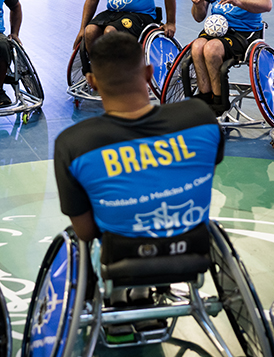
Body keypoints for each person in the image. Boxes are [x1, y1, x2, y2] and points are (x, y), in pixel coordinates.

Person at [54, 32, 224, 242]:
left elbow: (85, 233)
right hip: (194, 249)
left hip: (121, 262)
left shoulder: (74, 144)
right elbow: (205, 171)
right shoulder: (200, 118)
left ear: (92, 82)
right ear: (148, 73)